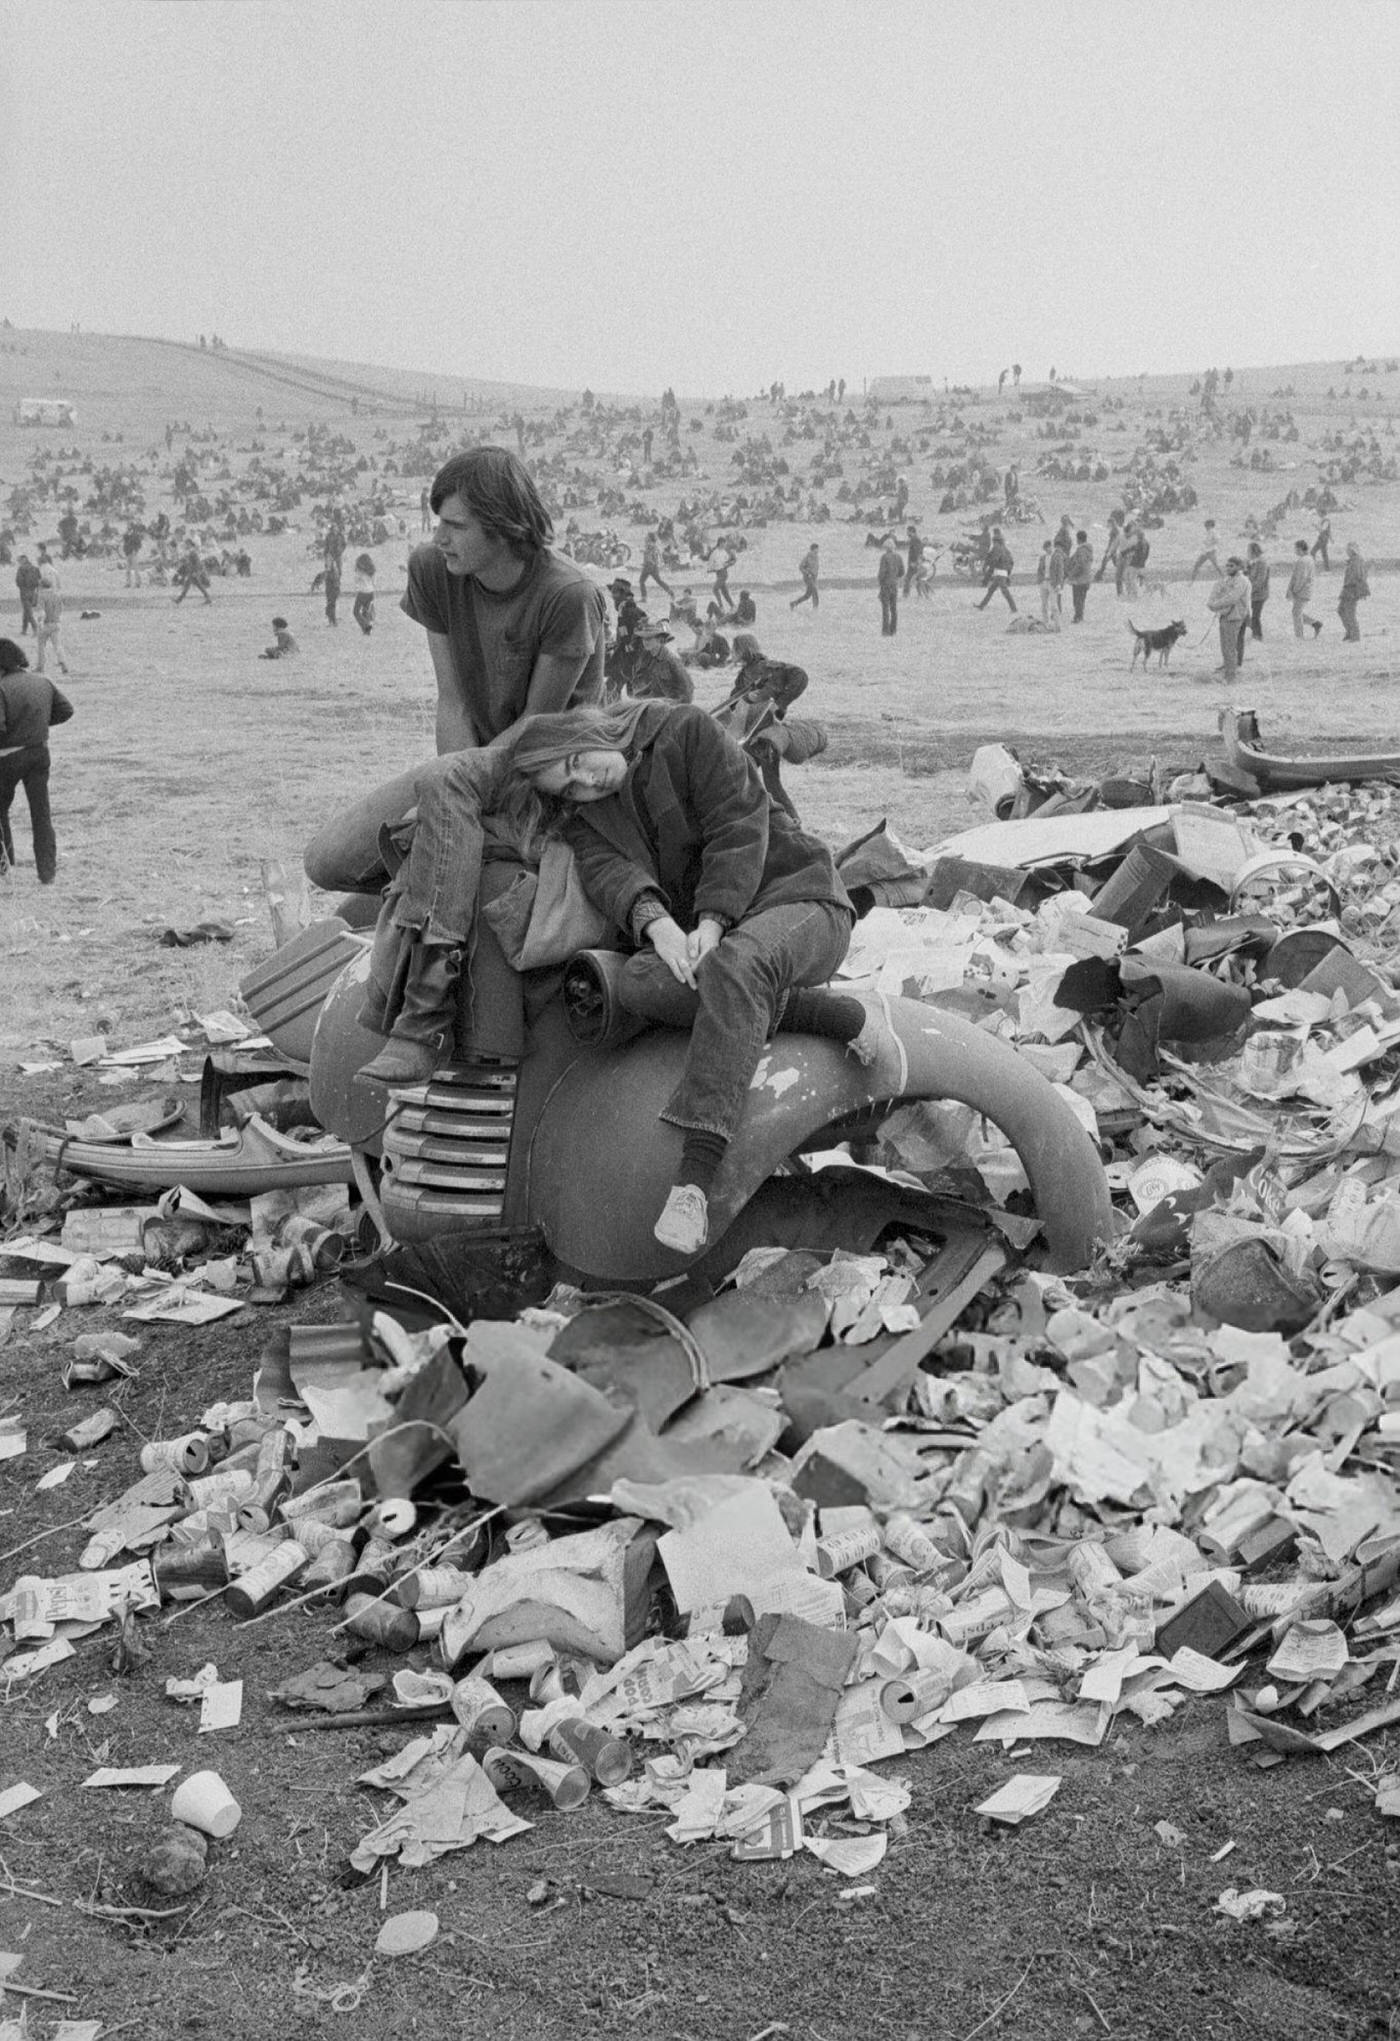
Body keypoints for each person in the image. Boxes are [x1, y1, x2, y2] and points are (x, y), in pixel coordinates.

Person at [503, 700, 904, 1255]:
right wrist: (661, 927)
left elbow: (738, 824)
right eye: (569, 787)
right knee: (637, 982)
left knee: (740, 966)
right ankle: (826, 1013)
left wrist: (713, 920)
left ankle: (693, 1180)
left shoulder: (684, 730)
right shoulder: (584, 818)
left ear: (586, 730)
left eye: (578, 760)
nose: (587, 781)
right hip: (717, 940)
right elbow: (610, 873)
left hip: (799, 897)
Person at [306, 445, 608, 1086]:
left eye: (455, 525)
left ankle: (424, 1017)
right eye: (436, 520)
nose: (437, 536)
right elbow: (451, 698)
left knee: (448, 846)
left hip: (547, 770)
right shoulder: (433, 571)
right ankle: (427, 888)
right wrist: (451, 791)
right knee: (327, 861)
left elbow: (537, 728)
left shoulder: (567, 595)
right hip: (470, 762)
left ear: (503, 527)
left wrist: (455, 795)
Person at [0, 637, 72, 885]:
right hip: (39, 753)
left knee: (0, 812)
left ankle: (4, 865)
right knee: (41, 814)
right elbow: (66, 711)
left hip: (7, 758)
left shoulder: (1, 687)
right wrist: (38, 725)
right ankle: (47, 872)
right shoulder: (43, 682)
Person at [626, 618, 693, 702]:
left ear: (659, 640)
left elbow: (688, 689)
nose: (645, 642)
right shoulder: (648, 659)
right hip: (655, 702)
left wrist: (677, 704)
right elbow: (648, 687)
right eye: (643, 639)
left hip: (671, 706)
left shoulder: (671, 660)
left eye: (649, 639)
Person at [1208, 557, 1252, 678]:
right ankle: (1228, 668)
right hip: (1227, 616)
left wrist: (1214, 605)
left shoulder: (1241, 581)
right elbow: (1221, 593)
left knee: (1229, 647)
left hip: (1235, 617)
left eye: (1231, 566)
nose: (1228, 568)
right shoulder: (1229, 579)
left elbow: (1232, 598)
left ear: (1239, 567)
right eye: (1227, 565)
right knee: (1226, 646)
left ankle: (1230, 675)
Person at [33, 572, 68, 676]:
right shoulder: (57, 595)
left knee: (41, 646)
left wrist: (40, 622)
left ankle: (41, 666)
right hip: (56, 623)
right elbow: (61, 608)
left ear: (41, 586)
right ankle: (63, 663)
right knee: (57, 645)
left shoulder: (41, 596)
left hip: (46, 624)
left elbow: (41, 611)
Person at [1286, 540, 1322, 638]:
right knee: (1297, 612)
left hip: (1302, 591)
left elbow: (1301, 578)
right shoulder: (1308, 559)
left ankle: (1300, 636)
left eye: (1295, 548)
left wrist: (1294, 590)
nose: (1295, 550)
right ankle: (1315, 623)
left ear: (1300, 548)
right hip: (1305, 590)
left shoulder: (1303, 561)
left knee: (1296, 613)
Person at [975, 530, 1016, 612]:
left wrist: (987, 566)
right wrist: (1008, 572)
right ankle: (981, 606)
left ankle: (1014, 609)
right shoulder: (1006, 550)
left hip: (999, 573)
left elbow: (994, 560)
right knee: (991, 590)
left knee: (1004, 592)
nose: (993, 544)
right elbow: (1011, 562)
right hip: (1002, 573)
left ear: (996, 542)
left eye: (994, 542)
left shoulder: (997, 548)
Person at [1339, 543, 1370, 641]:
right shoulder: (1353, 561)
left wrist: (1360, 591)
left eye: (1348, 550)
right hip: (1348, 590)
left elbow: (1359, 576)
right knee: (1341, 610)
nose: (1346, 551)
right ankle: (1350, 632)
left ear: (1352, 550)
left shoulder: (1357, 561)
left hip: (1352, 590)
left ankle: (1355, 635)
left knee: (1349, 613)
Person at [1067, 529, 1094, 622]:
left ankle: (1078, 617)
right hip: (1087, 578)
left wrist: (1071, 574)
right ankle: (1080, 616)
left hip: (1080, 579)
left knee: (1077, 599)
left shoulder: (1081, 550)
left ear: (1078, 539)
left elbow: (1080, 564)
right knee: (1082, 599)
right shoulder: (1089, 549)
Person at [1245, 541, 1270, 640]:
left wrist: (1249, 590)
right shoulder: (1253, 562)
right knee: (1249, 616)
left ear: (1253, 552)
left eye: (1248, 551)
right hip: (1254, 593)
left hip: (1260, 594)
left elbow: (1260, 581)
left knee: (1255, 616)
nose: (1247, 553)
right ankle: (1255, 632)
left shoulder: (1262, 563)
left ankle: (1258, 635)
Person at [639, 531, 672, 602]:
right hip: (654, 566)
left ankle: (644, 598)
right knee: (659, 581)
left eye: (647, 536)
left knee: (641, 581)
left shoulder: (649, 545)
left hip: (648, 566)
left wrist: (645, 554)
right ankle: (670, 592)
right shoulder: (654, 545)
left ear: (650, 538)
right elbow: (657, 555)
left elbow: (649, 555)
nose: (645, 537)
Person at [877, 536, 901, 636]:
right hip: (894, 585)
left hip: (886, 585)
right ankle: (893, 630)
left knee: (885, 608)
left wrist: (880, 581)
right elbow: (902, 571)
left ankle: (885, 631)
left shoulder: (884, 557)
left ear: (886, 547)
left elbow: (882, 572)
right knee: (894, 608)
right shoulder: (898, 557)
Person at [352, 553, 377, 635]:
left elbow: (356, 580)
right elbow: (374, 582)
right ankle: (366, 631)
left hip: (362, 593)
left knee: (355, 612)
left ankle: (366, 626)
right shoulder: (372, 570)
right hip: (371, 593)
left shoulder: (360, 571)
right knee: (365, 611)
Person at [14, 555, 39, 636]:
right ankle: (24, 629)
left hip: (24, 592)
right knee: (26, 610)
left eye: (19, 561)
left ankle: (35, 628)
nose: (19, 563)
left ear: (22, 560)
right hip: (33, 592)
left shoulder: (21, 569)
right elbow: (39, 579)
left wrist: (22, 587)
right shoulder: (35, 568)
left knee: (28, 611)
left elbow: (18, 581)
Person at [790, 542, 820, 610]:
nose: (818, 550)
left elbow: (815, 569)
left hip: (813, 578)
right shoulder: (808, 557)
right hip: (808, 578)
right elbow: (800, 567)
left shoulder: (816, 557)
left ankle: (793, 603)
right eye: (817, 549)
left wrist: (815, 578)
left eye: (818, 549)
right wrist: (807, 573)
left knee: (807, 595)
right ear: (813, 549)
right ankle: (815, 610)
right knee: (815, 592)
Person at [902, 525, 924, 596]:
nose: (907, 533)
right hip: (915, 562)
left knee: (908, 578)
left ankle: (906, 594)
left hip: (913, 563)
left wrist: (915, 562)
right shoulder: (915, 539)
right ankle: (922, 594)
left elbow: (917, 552)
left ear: (912, 531)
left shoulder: (915, 539)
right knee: (918, 579)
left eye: (908, 532)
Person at [323, 553, 341, 626]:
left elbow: (335, 582)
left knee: (330, 606)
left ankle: (333, 622)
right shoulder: (329, 571)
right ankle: (331, 622)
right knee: (330, 606)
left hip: (333, 591)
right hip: (330, 591)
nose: (327, 562)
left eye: (328, 560)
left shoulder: (334, 571)